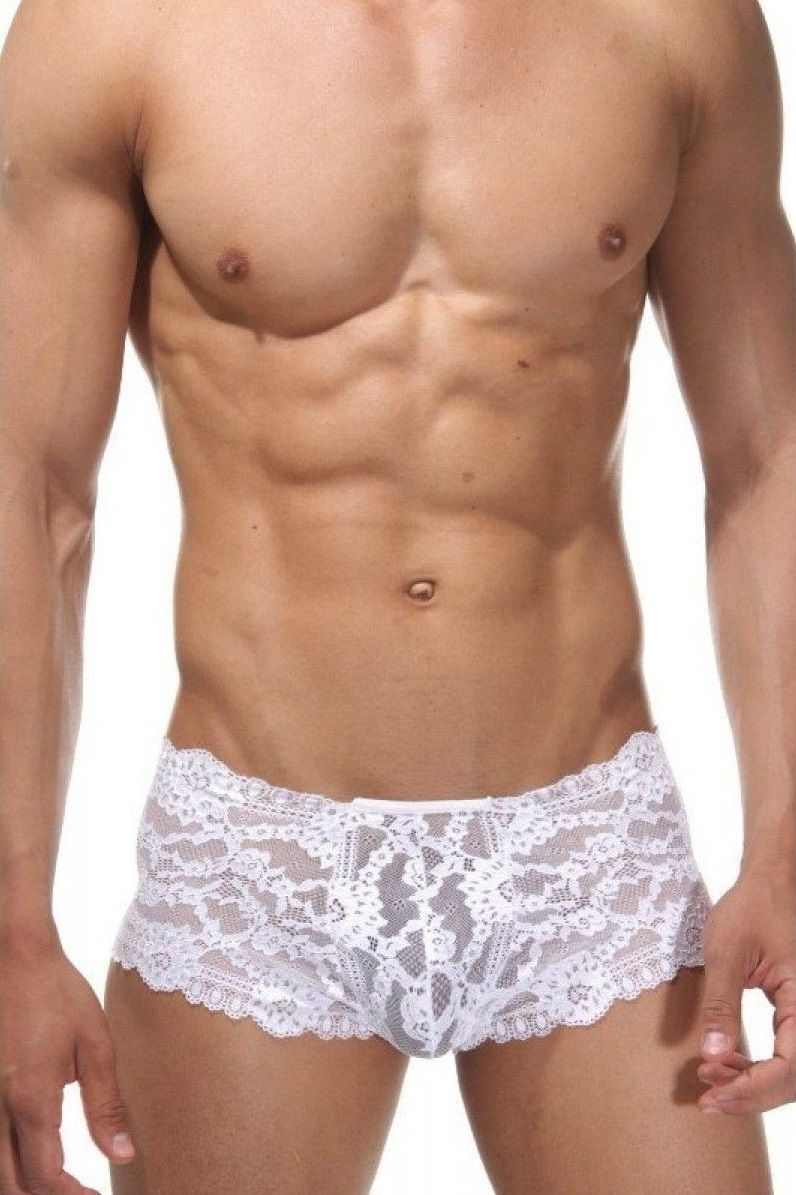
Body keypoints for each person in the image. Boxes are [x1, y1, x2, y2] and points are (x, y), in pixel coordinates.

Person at [1, 0, 794, 1190]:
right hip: (259, 863)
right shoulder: (113, 27)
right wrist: (12, 926)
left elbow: (766, 456)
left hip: (586, 853)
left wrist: (786, 842)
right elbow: (33, 492)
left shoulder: (673, 23)